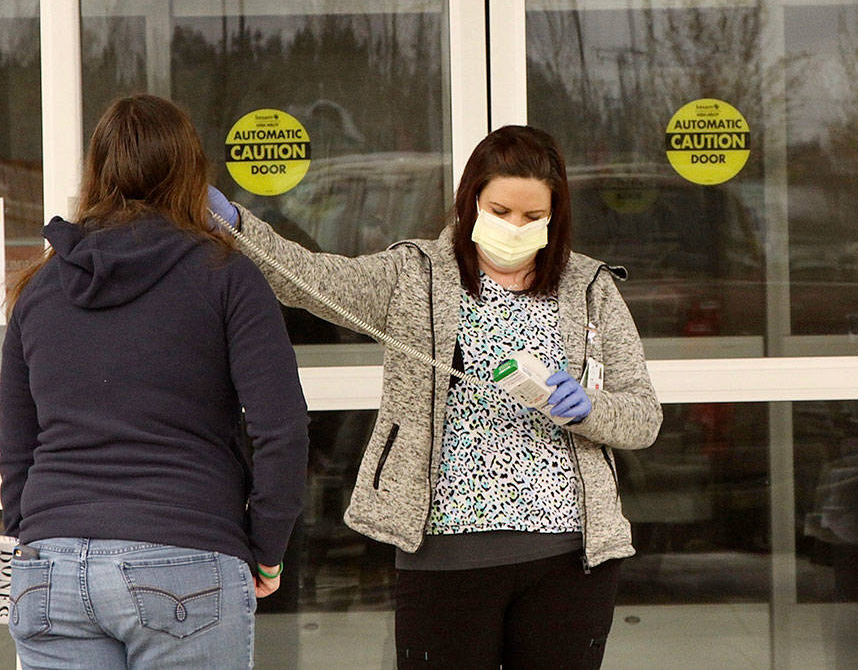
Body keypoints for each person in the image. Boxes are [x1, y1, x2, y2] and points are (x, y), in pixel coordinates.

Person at [208, 124, 662, 669]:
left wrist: (592, 409)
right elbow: (309, 279)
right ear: (471, 200)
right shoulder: (415, 275)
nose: (515, 227)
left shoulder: (590, 288)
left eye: (532, 216)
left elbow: (643, 417)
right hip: (445, 554)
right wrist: (236, 226)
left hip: (569, 560)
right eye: (500, 210)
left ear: (555, 216)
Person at [0, 95, 309, 669]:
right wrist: (266, 547)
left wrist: (32, 530)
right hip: (186, 554)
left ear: (97, 172)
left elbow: (14, 441)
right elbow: (281, 428)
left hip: (51, 565)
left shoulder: (38, 289)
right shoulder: (228, 277)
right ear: (191, 172)